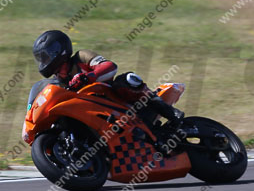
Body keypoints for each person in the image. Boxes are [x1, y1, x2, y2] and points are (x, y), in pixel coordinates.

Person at [31, 30, 186, 149]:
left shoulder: (81, 57)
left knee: (126, 80)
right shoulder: (57, 82)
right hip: (90, 111)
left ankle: (169, 113)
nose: (44, 61)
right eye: (41, 58)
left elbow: (109, 66)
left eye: (46, 56)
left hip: (110, 95)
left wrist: (88, 76)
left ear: (59, 50)